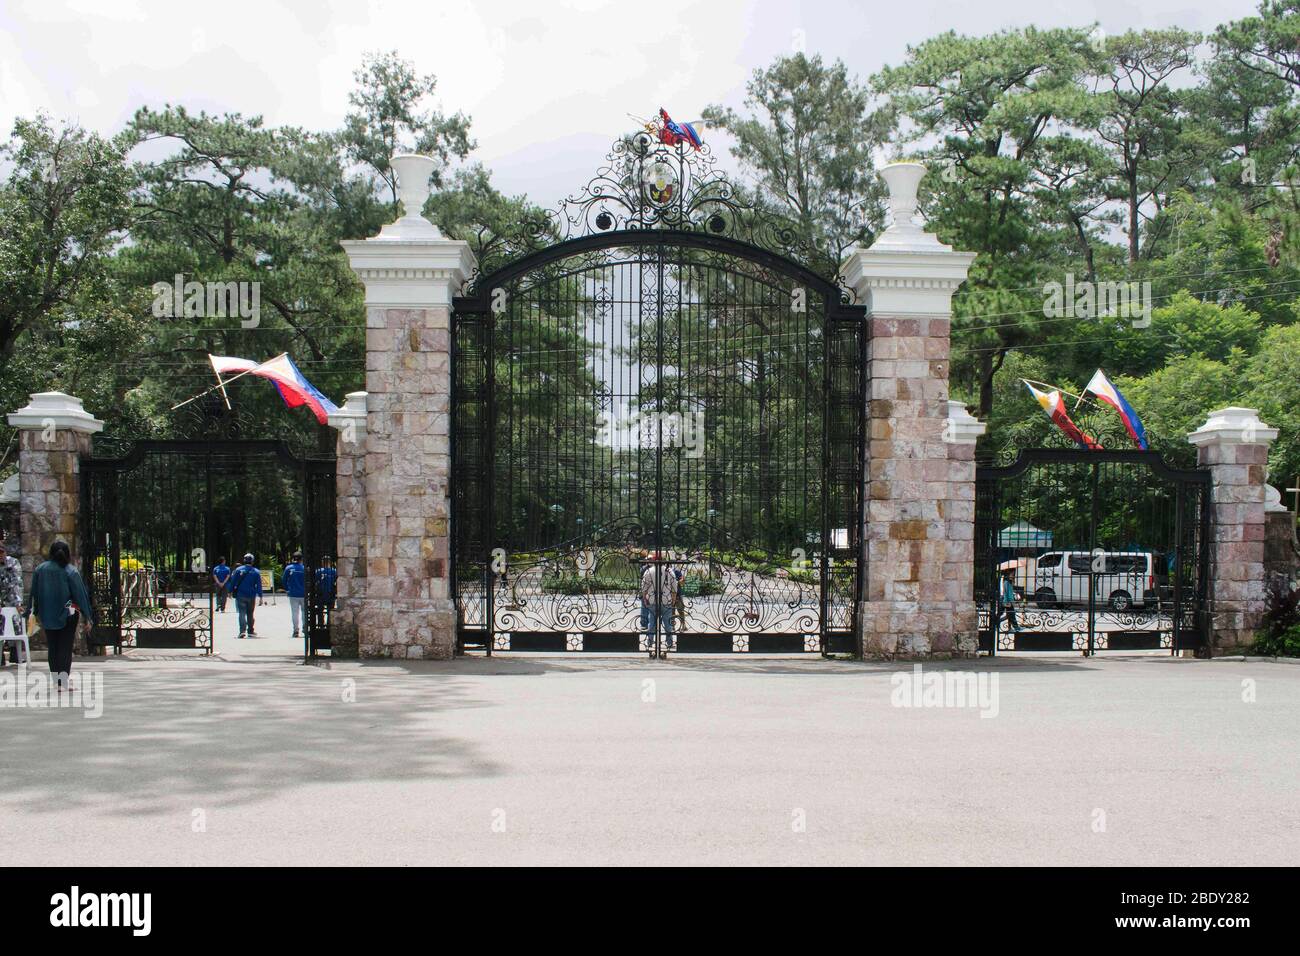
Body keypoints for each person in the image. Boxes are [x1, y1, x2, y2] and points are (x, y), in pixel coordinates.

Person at [27, 540, 93, 692]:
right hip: (68, 614)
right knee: (65, 646)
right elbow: (80, 595)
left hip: (47, 613)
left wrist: (34, 612)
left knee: (53, 646)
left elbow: (34, 594)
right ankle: (63, 681)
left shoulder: (40, 570)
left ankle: (56, 682)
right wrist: (87, 615)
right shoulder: (71, 571)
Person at [640, 554, 679, 653]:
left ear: (653, 560)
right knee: (668, 623)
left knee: (651, 622)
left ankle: (649, 641)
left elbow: (644, 587)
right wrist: (673, 600)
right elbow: (674, 587)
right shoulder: (669, 571)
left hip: (652, 599)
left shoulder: (649, 571)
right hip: (666, 600)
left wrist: (645, 598)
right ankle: (669, 642)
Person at [226, 553, 263, 639]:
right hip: (251, 595)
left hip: (240, 595)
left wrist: (230, 591)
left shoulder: (238, 570)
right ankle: (250, 631)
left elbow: (233, 581)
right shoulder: (256, 572)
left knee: (241, 613)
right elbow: (259, 585)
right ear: (252, 561)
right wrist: (260, 596)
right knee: (250, 613)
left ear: (244, 560)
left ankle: (242, 631)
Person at [0, 541, 24, 665]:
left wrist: (18, 602)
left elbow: (17, 583)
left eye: (1, 552)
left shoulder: (13, 563)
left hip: (11, 599)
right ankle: (1, 656)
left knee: (15, 622)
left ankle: (15, 652)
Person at [283, 551, 306, 639]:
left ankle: (296, 630)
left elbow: (284, 580)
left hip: (293, 594)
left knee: (294, 613)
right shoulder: (304, 568)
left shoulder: (289, 568)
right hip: (303, 594)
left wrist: (287, 589)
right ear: (301, 559)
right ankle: (305, 628)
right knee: (304, 612)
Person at [997, 568, 1024, 634]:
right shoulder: (1006, 582)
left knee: (1008, 614)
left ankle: (996, 623)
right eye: (1012, 574)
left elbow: (1009, 592)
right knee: (1011, 614)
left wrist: (1014, 594)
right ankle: (1016, 627)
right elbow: (1005, 593)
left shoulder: (1008, 581)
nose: (1013, 575)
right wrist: (1008, 602)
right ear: (1008, 574)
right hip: (1006, 600)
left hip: (1006, 600)